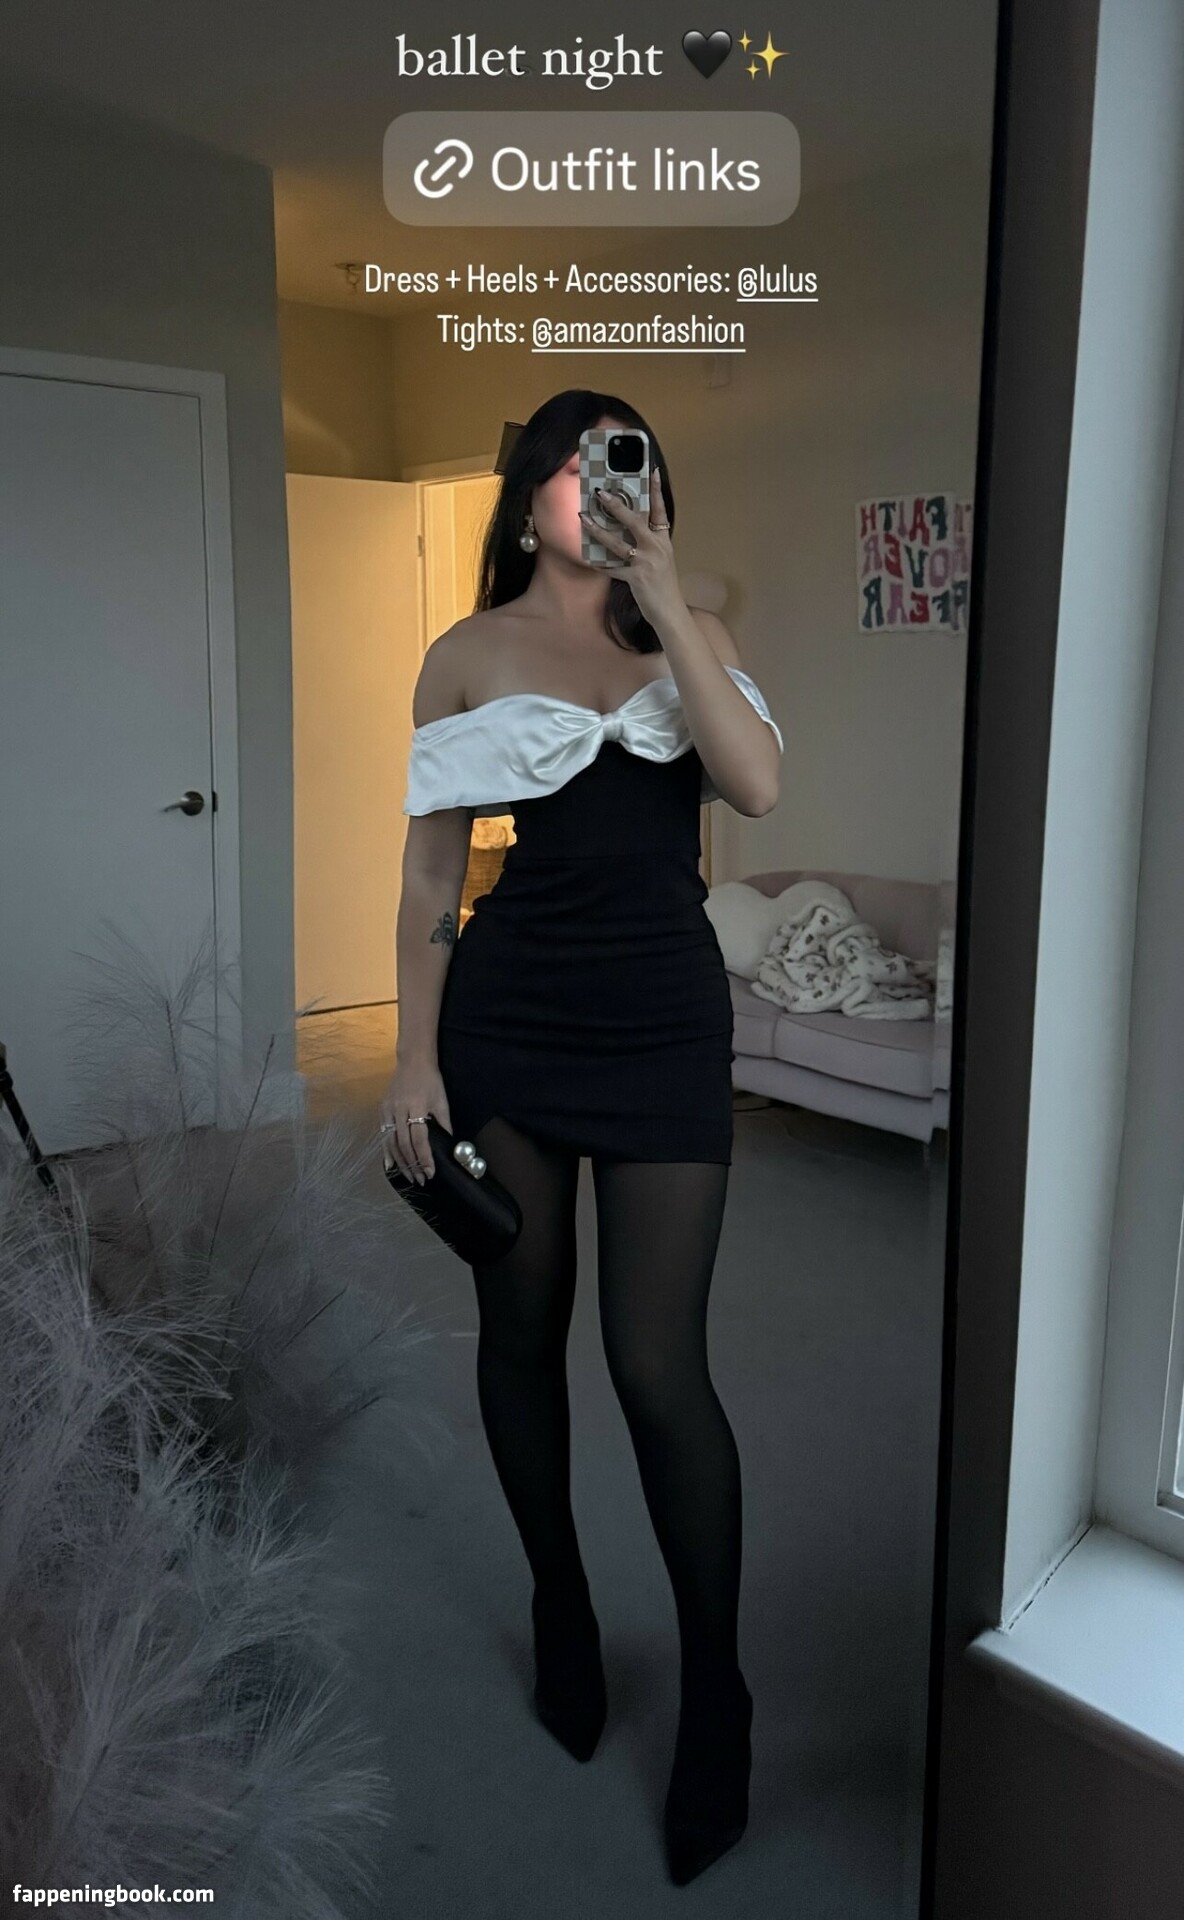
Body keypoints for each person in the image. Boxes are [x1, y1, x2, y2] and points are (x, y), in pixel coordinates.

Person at [380, 389, 783, 1886]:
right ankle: (562, 1600)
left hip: (664, 1028)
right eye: (575, 460)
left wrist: (668, 602)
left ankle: (719, 1691)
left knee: (658, 1366)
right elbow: (433, 878)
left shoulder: (692, 631)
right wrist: (412, 1061)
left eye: (630, 460)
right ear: (527, 494)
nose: (603, 481)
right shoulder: (465, 654)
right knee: (522, 1327)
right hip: (513, 1021)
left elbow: (756, 784)